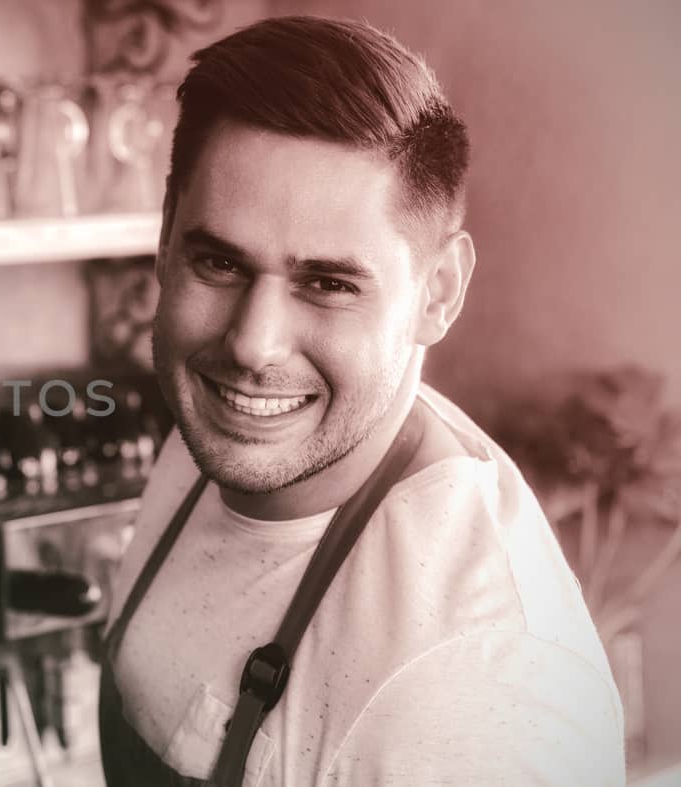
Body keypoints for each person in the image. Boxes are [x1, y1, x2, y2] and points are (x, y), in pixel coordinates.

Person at [101, 16, 624, 786]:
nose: (253, 344)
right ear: (164, 244)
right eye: (218, 262)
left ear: (437, 294)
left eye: (328, 283)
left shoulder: (479, 688)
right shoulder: (212, 429)